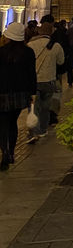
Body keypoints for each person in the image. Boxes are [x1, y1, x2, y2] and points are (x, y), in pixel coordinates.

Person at [0, 23, 37, 169]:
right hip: (21, 93)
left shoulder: (1, 52)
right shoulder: (28, 52)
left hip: (2, 92)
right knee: (12, 123)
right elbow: (31, 74)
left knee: (2, 123)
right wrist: (32, 92)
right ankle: (12, 153)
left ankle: (5, 152)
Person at [26, 17, 64, 141]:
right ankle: (43, 130)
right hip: (49, 80)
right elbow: (61, 61)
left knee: (34, 107)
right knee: (45, 107)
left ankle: (34, 131)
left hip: (34, 81)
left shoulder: (31, 44)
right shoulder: (56, 45)